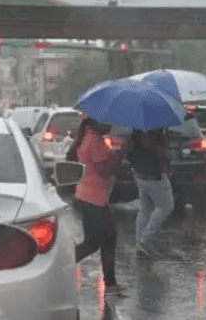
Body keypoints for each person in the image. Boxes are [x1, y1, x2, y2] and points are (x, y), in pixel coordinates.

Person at [67, 114, 125, 294]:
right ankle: (62, 266)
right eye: (108, 122)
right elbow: (104, 171)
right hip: (93, 199)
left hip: (94, 197)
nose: (111, 126)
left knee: (107, 239)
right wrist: (119, 154)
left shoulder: (92, 137)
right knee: (94, 242)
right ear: (98, 123)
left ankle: (111, 283)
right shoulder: (93, 140)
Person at [127, 128, 174, 257]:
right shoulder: (156, 130)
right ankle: (145, 240)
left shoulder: (136, 130)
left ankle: (141, 243)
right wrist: (165, 143)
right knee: (166, 206)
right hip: (155, 175)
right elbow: (161, 153)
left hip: (140, 173)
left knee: (145, 210)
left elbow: (131, 151)